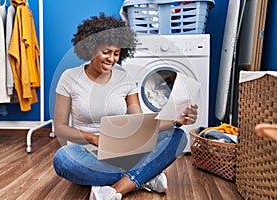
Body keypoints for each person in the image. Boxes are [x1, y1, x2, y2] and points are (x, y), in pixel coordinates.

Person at [52, 13, 198, 200]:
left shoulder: (125, 78)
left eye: (117, 53)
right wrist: (94, 138)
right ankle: (144, 176)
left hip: (125, 149)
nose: (112, 59)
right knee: (62, 159)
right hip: (86, 152)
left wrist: (175, 120)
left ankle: (116, 189)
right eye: (106, 52)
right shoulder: (69, 78)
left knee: (177, 137)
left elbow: (139, 122)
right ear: (90, 47)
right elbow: (61, 128)